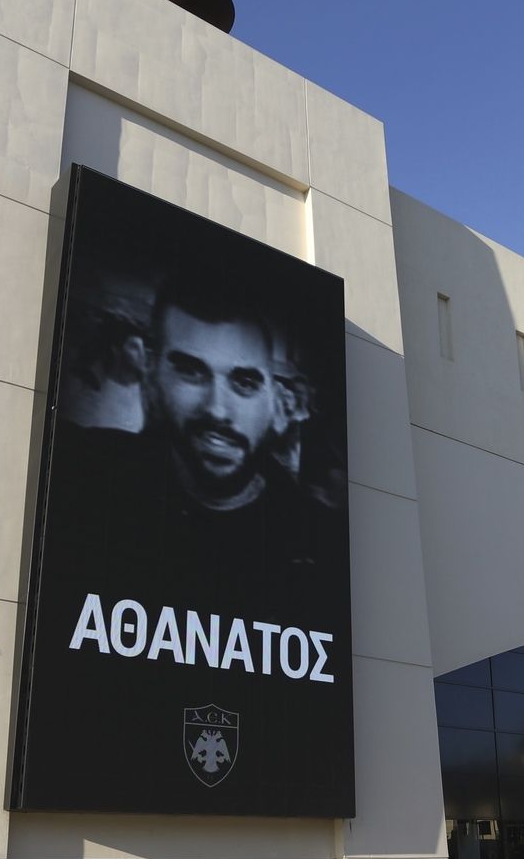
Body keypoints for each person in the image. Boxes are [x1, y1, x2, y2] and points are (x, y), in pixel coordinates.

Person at [43, 264, 341, 615]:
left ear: (275, 402)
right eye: (191, 372)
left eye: (244, 382)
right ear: (153, 375)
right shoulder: (79, 476)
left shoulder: (323, 544)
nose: (217, 409)